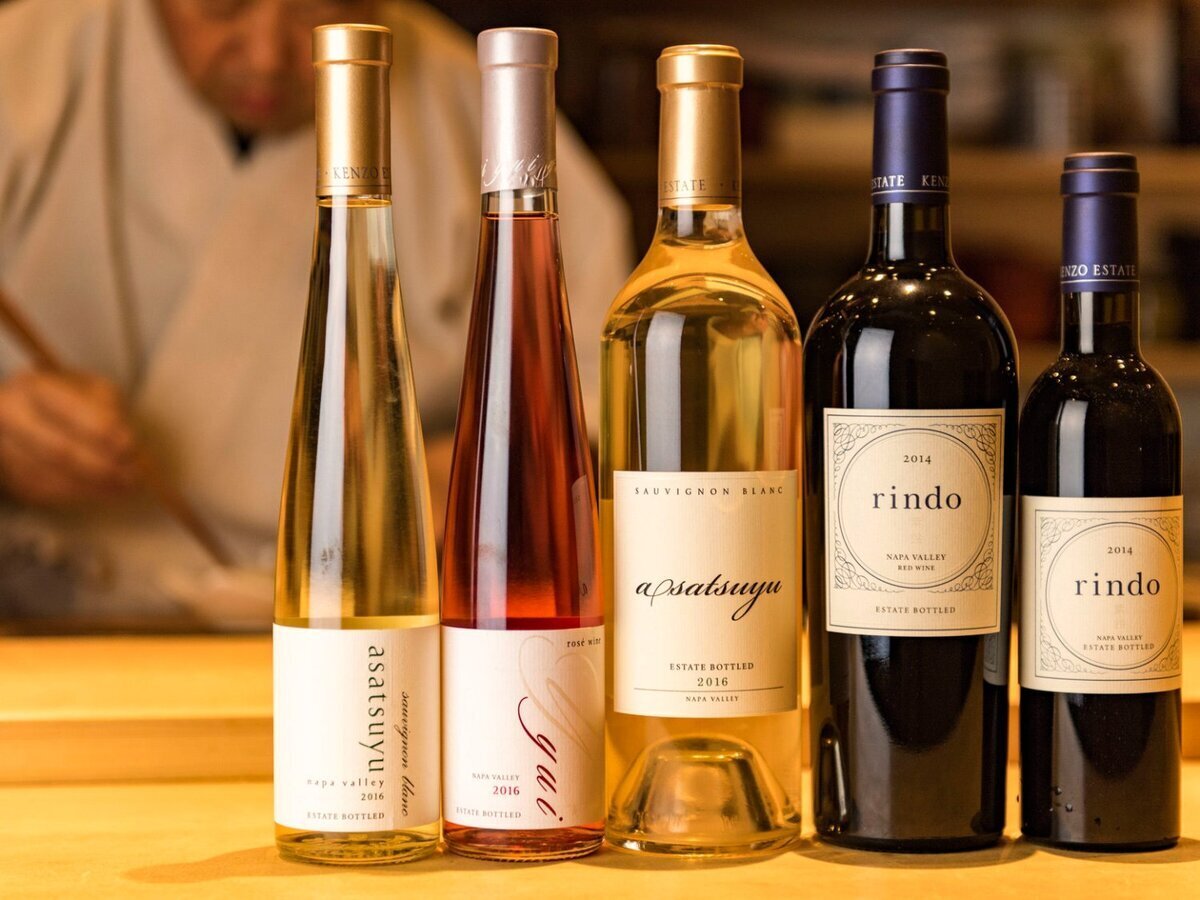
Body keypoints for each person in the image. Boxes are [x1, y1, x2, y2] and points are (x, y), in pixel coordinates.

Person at [0, 0, 632, 625]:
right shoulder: (26, 65)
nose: (268, 56)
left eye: (317, 9)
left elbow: (606, 401)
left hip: (370, 618)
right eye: (223, 10)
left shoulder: (483, 106)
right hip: (43, 618)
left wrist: (497, 469)